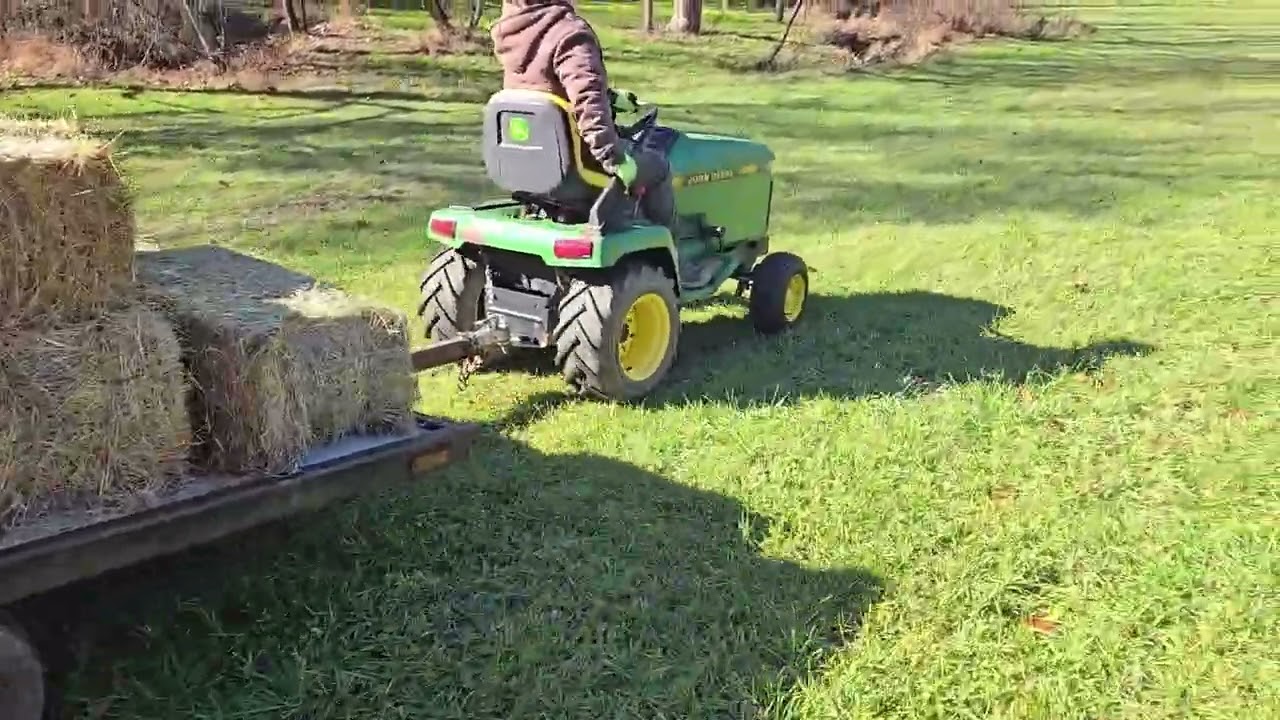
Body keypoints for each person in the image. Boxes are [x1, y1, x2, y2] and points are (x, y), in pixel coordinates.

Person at [490, 0, 677, 235]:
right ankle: (669, 253)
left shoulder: (515, 30)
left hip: (528, 164)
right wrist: (615, 158)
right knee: (658, 167)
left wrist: (608, 96)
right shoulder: (568, 33)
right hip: (576, 167)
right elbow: (588, 104)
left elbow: (544, 84)